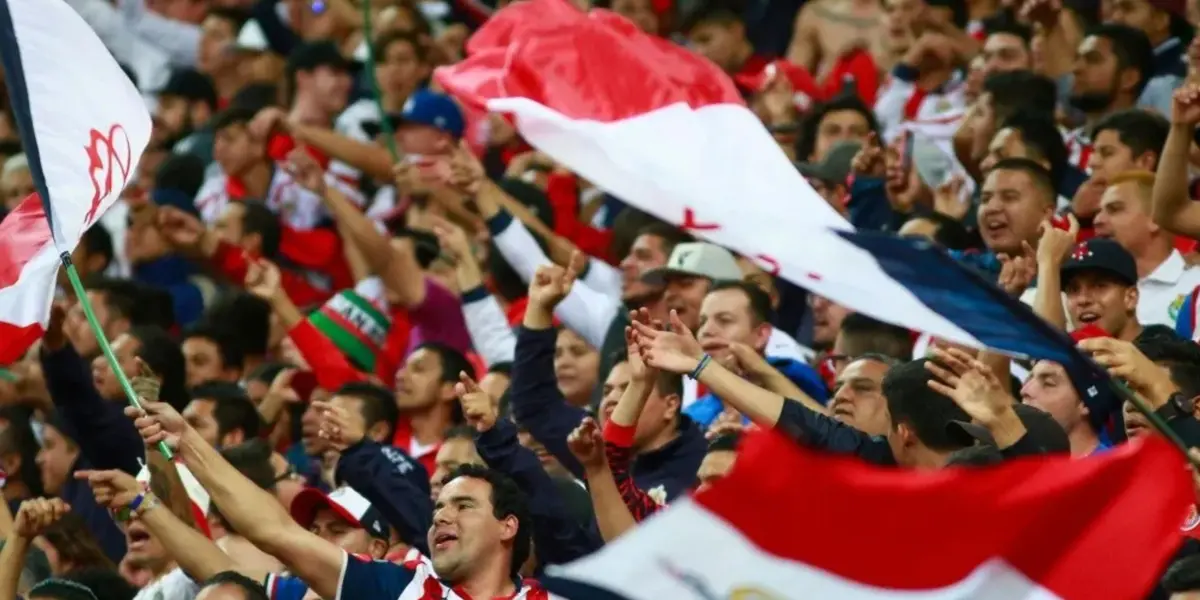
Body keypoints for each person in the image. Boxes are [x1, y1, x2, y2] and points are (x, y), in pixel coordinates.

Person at [126, 397, 547, 599]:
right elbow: (275, 532)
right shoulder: (399, 590)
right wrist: (190, 443)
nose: (441, 518)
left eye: (464, 505)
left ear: (508, 526)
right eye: (438, 508)